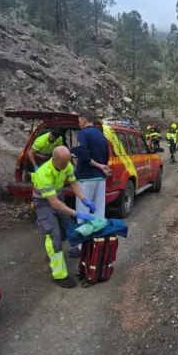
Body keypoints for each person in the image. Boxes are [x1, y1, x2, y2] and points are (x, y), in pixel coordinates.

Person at [32, 146, 101, 288]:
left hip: (57, 196)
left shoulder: (66, 164)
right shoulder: (43, 174)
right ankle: (59, 275)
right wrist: (77, 213)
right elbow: (53, 203)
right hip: (43, 202)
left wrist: (84, 199)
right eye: (64, 163)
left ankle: (63, 249)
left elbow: (74, 183)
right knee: (53, 234)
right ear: (54, 159)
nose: (66, 166)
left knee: (69, 227)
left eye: (67, 162)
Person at [71, 110, 110, 257]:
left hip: (86, 178)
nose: (78, 123)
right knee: (99, 211)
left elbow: (83, 154)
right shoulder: (101, 135)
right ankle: (98, 243)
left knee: (83, 212)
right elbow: (105, 155)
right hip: (100, 179)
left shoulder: (83, 134)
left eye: (79, 120)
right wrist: (101, 167)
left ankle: (82, 247)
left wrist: (97, 165)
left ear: (84, 120)